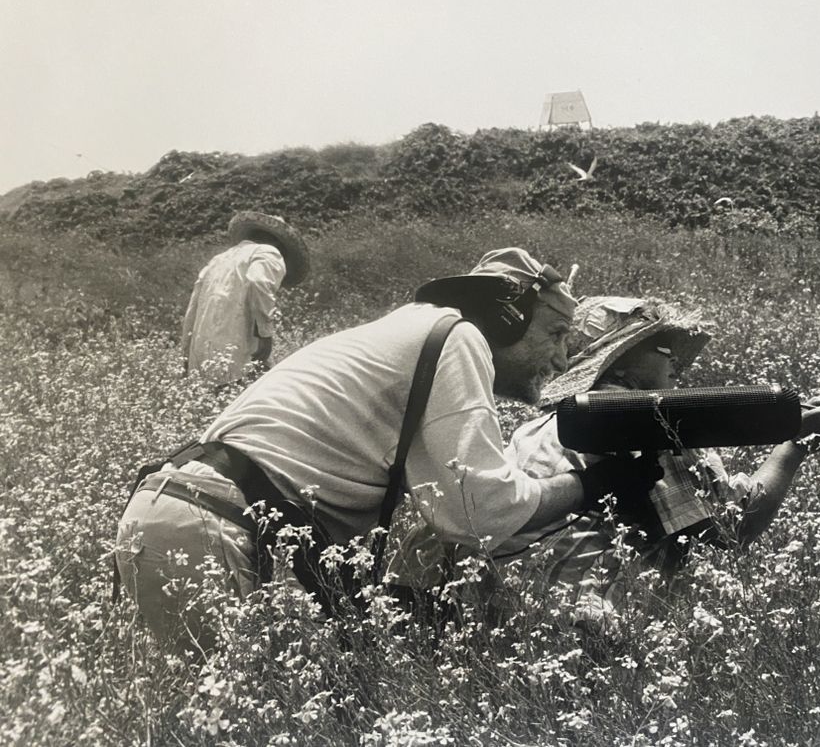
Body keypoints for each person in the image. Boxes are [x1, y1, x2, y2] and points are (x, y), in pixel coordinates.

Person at [115, 251, 662, 652]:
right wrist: (597, 483)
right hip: (218, 530)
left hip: (182, 514)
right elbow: (480, 514)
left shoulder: (410, 333)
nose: (563, 358)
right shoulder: (458, 337)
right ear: (507, 317)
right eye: (557, 333)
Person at [388, 295, 820, 629]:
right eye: (663, 349)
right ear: (620, 363)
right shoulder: (648, 425)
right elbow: (733, 529)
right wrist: (796, 447)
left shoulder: (541, 427)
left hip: (508, 627)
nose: (677, 365)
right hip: (596, 635)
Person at [181, 211, 310, 385]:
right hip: (239, 350)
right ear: (279, 243)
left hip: (204, 354)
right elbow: (258, 282)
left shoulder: (218, 259)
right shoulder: (269, 252)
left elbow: (193, 308)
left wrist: (186, 355)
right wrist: (265, 335)